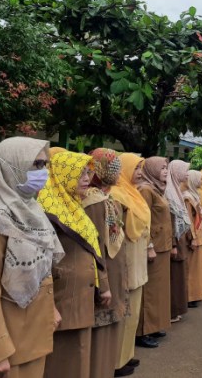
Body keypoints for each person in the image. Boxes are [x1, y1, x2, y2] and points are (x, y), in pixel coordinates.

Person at [0, 137, 63, 378]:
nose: (43, 173)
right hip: (9, 344)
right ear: (12, 166)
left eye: (45, 165)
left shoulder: (31, 209)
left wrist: (50, 308)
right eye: (37, 165)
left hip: (33, 332)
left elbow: (42, 268)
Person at [38, 150, 104, 378]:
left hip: (79, 294)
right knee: (63, 359)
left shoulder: (73, 205)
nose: (86, 178)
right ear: (63, 174)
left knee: (78, 354)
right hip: (62, 295)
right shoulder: (47, 207)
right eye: (79, 173)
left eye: (88, 173)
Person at [84, 149, 129, 378]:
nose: (116, 171)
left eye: (117, 166)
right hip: (104, 273)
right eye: (111, 166)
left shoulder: (106, 197)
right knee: (100, 330)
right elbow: (96, 244)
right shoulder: (92, 201)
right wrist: (104, 283)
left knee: (111, 327)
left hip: (114, 269)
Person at [111, 154, 153, 371]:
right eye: (135, 168)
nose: (139, 172)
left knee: (133, 311)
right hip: (126, 258)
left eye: (141, 168)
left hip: (137, 258)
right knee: (124, 311)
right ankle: (116, 361)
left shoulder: (133, 193)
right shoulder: (116, 195)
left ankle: (127, 355)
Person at [137, 157, 173, 344]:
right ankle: (144, 330)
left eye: (167, 168)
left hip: (163, 246)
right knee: (150, 291)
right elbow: (143, 221)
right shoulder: (145, 189)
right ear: (151, 170)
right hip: (154, 247)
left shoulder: (158, 188)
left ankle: (154, 325)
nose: (166, 171)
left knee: (159, 290)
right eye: (162, 168)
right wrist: (149, 245)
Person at [165, 160, 191, 323]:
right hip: (174, 240)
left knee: (180, 275)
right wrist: (173, 243)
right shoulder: (168, 192)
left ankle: (177, 308)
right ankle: (172, 309)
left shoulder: (176, 190)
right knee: (174, 277)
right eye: (184, 170)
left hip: (180, 239)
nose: (187, 174)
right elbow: (169, 220)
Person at [183, 170, 202, 307]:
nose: (201, 182)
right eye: (199, 179)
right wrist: (193, 237)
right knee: (192, 268)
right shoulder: (187, 197)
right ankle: (190, 296)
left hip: (199, 234)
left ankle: (196, 293)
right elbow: (190, 220)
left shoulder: (194, 194)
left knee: (197, 268)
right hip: (194, 236)